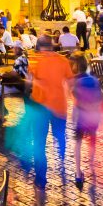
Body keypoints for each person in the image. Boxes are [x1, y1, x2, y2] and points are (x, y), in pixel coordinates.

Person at [30, 37, 73, 179]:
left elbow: (30, 80)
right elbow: (70, 81)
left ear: (39, 47)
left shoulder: (35, 61)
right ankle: (61, 159)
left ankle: (40, 171)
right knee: (60, 135)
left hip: (40, 106)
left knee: (39, 139)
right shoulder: (63, 60)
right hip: (59, 105)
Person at [69, 52, 101, 190]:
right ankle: (91, 165)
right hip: (93, 114)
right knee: (92, 139)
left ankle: (77, 172)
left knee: (78, 142)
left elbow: (75, 100)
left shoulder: (73, 81)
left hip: (80, 115)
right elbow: (100, 99)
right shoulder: (94, 80)